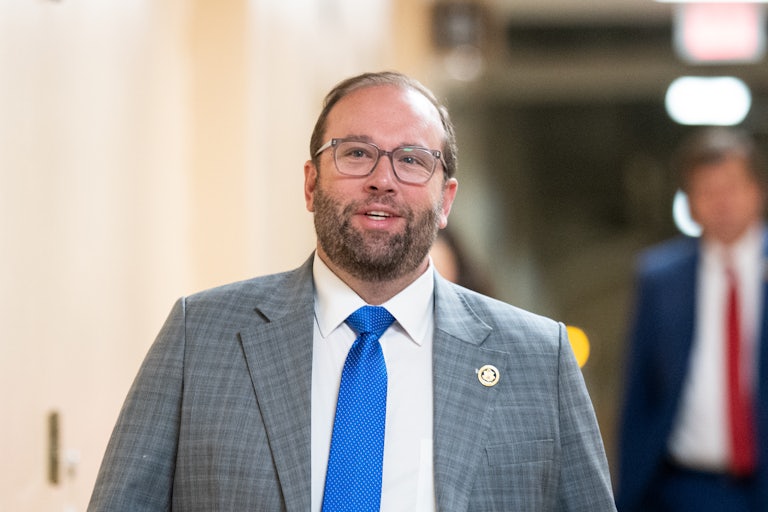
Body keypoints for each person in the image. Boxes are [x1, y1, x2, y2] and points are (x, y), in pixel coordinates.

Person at [88, 71, 616, 511]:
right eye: (357, 153)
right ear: (311, 184)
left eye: (411, 159)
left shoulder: (537, 358)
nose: (382, 179)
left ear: (446, 199)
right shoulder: (199, 336)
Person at [617, 127, 768, 511]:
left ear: (757, 191)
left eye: (731, 187)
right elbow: (639, 393)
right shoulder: (660, 278)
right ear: (691, 203)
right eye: (708, 191)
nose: (722, 203)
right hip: (687, 487)